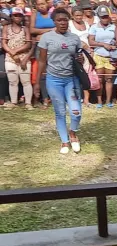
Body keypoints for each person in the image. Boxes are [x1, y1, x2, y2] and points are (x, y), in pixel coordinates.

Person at [35, 8, 83, 154]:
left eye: (65, 20)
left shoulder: (74, 38)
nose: (62, 23)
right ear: (54, 22)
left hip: (71, 80)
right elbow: (42, 61)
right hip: (53, 80)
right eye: (59, 20)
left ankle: (73, 133)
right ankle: (64, 141)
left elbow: (79, 58)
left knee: (76, 112)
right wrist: (37, 82)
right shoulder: (46, 38)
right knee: (60, 111)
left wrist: (81, 59)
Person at [3, 7, 33, 110]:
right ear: (11, 16)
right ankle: (13, 102)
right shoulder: (6, 28)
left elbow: (28, 44)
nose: (17, 17)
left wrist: (16, 51)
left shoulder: (25, 29)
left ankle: (28, 103)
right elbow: (4, 43)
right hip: (10, 58)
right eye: (15, 15)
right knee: (12, 81)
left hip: (23, 58)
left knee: (26, 81)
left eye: (19, 15)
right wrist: (12, 53)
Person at [88, 5, 117, 108]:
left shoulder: (113, 27)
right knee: (99, 79)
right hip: (98, 55)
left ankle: (108, 101)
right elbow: (91, 41)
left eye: (105, 16)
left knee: (109, 79)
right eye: (102, 17)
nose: (104, 18)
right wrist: (103, 44)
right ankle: (99, 101)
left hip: (110, 56)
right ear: (99, 17)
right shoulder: (94, 27)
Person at [30, 0, 55, 109]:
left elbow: (57, 29)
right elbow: (31, 30)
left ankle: (54, 98)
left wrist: (40, 31)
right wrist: (49, 30)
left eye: (43, 4)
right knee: (42, 72)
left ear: (47, 4)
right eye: (39, 4)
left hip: (53, 46)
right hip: (40, 46)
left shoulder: (53, 14)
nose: (41, 6)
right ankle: (45, 99)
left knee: (54, 72)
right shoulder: (35, 15)